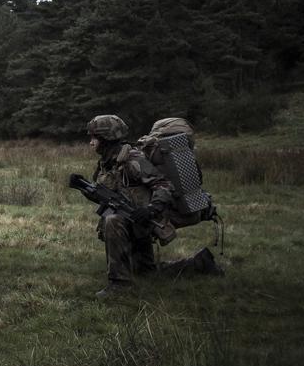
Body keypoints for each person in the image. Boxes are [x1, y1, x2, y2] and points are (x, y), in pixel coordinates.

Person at [87, 115, 222, 298]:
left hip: (153, 215)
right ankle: (199, 263)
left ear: (106, 138)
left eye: (94, 138)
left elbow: (164, 184)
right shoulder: (110, 160)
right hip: (137, 216)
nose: (91, 143)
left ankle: (119, 285)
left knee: (113, 221)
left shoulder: (132, 159)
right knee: (145, 272)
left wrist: (151, 209)